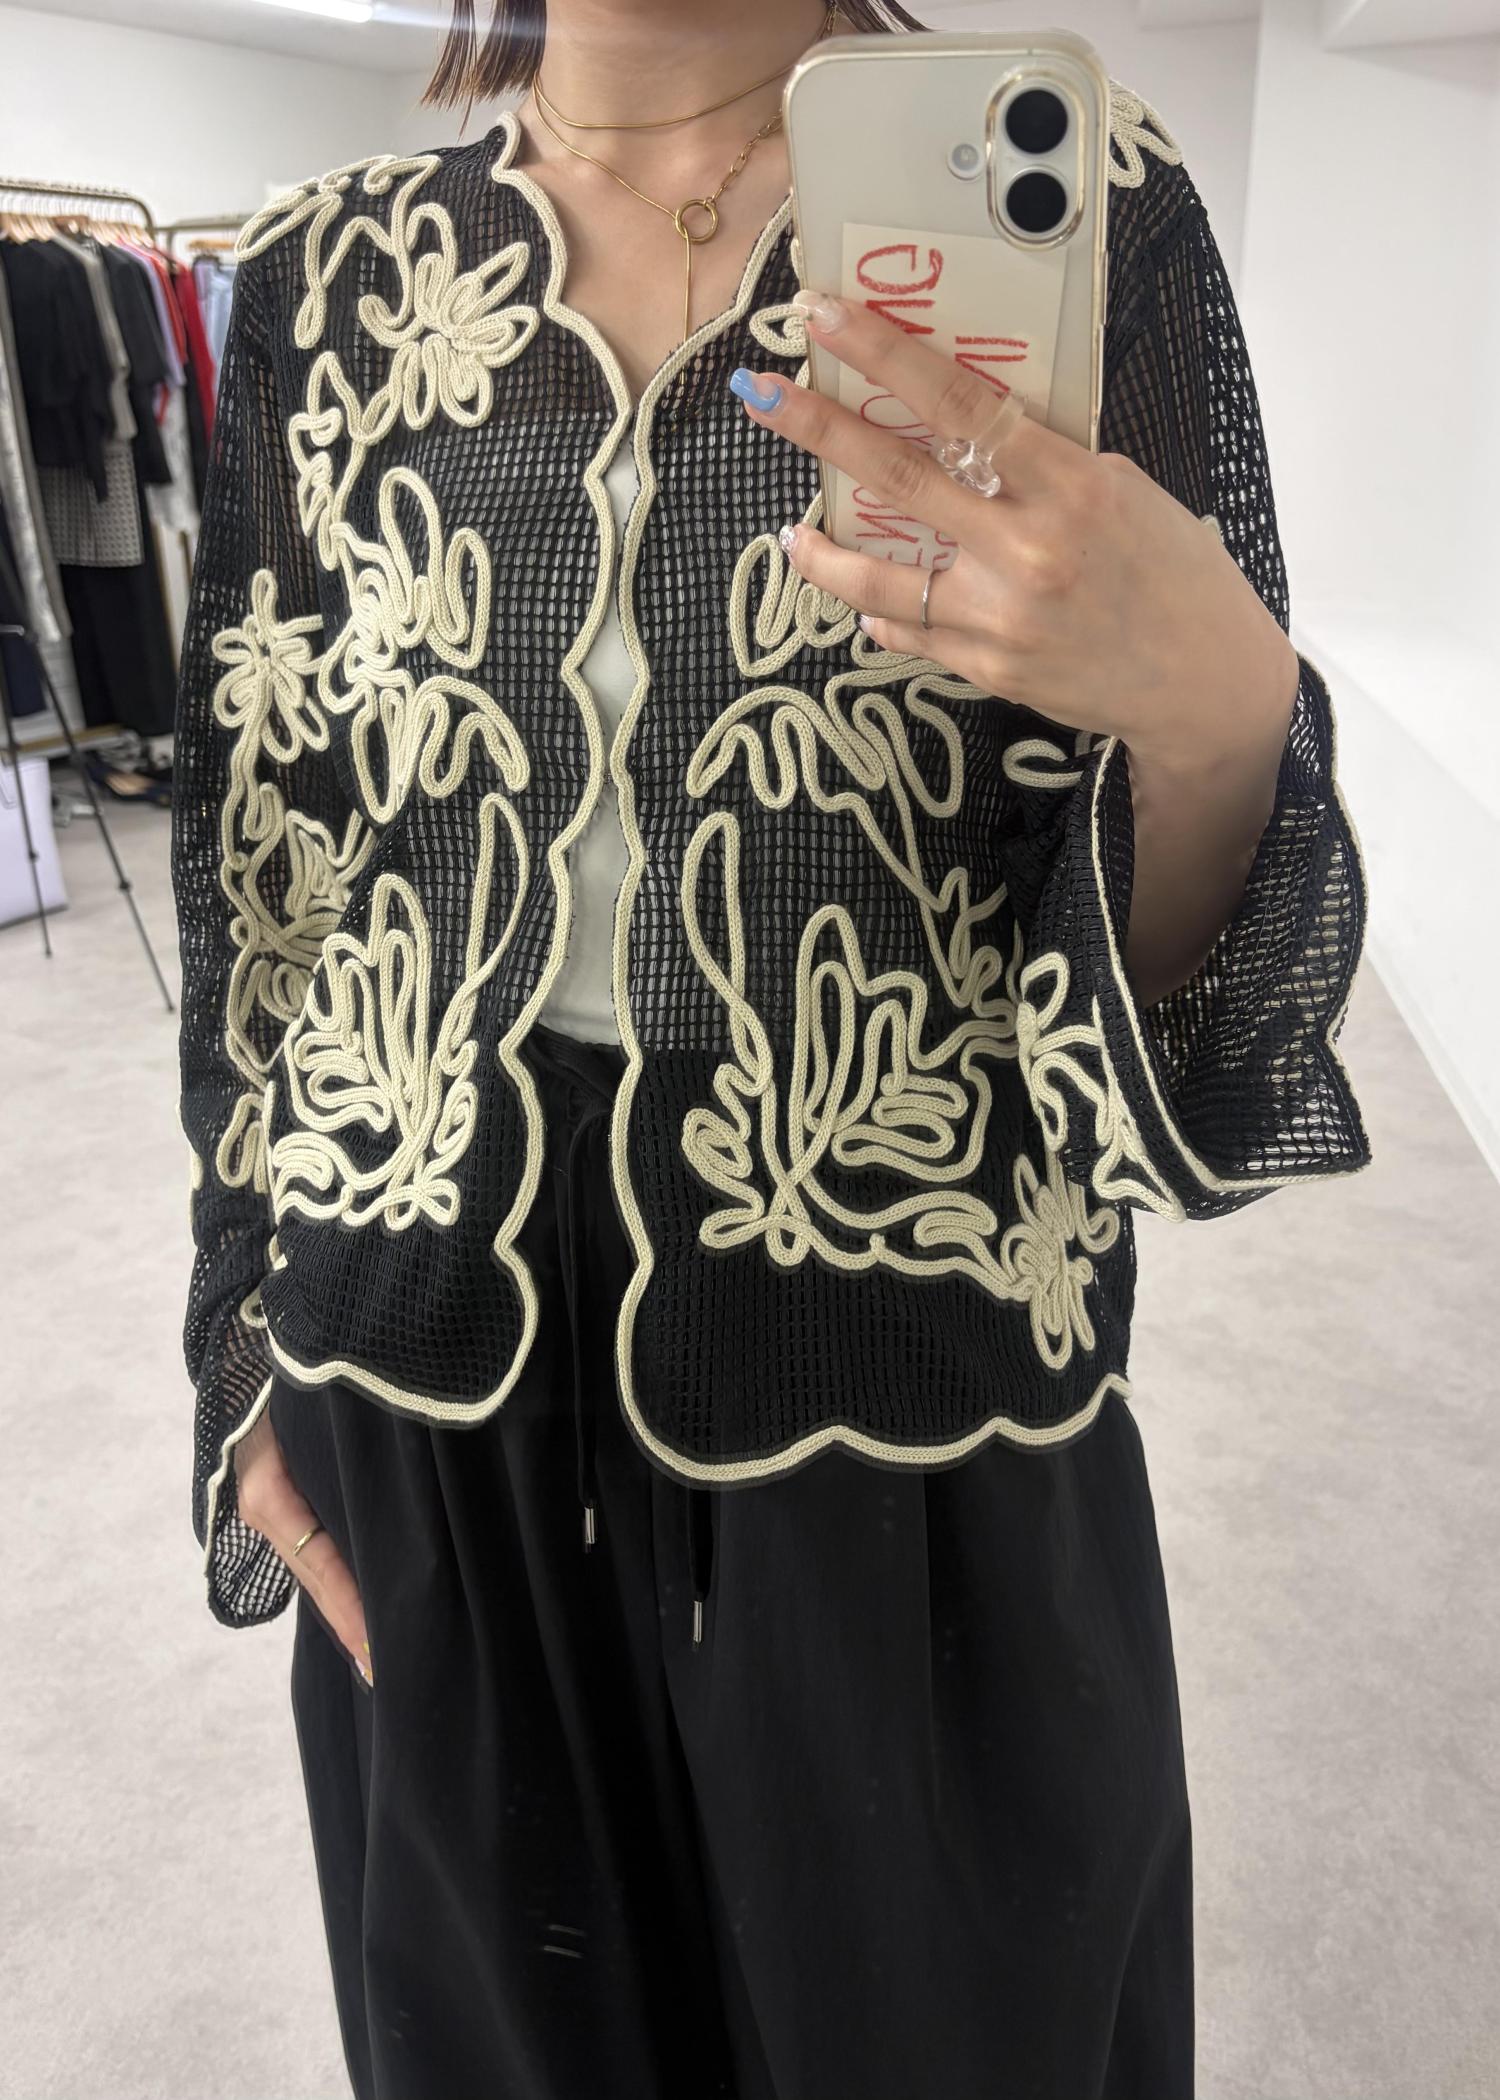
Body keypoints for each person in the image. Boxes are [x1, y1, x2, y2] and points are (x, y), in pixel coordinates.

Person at [169, 2, 1372, 2094]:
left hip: (912, 1399)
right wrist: (236, 1338)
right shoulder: (322, 274)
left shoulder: (1090, 210)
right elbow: (263, 852)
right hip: (418, 1386)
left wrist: (1220, 717)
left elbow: (1178, 1033)